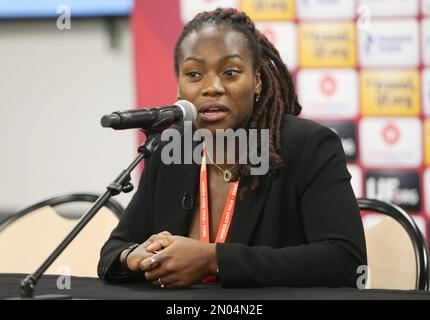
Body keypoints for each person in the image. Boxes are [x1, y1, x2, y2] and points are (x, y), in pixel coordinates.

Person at [97, 8, 367, 289]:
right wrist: (134, 257)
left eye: (230, 72)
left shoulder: (308, 146)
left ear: (257, 80)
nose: (212, 87)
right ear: (179, 87)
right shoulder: (171, 149)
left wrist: (214, 259)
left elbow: (346, 262)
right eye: (193, 74)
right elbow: (115, 249)